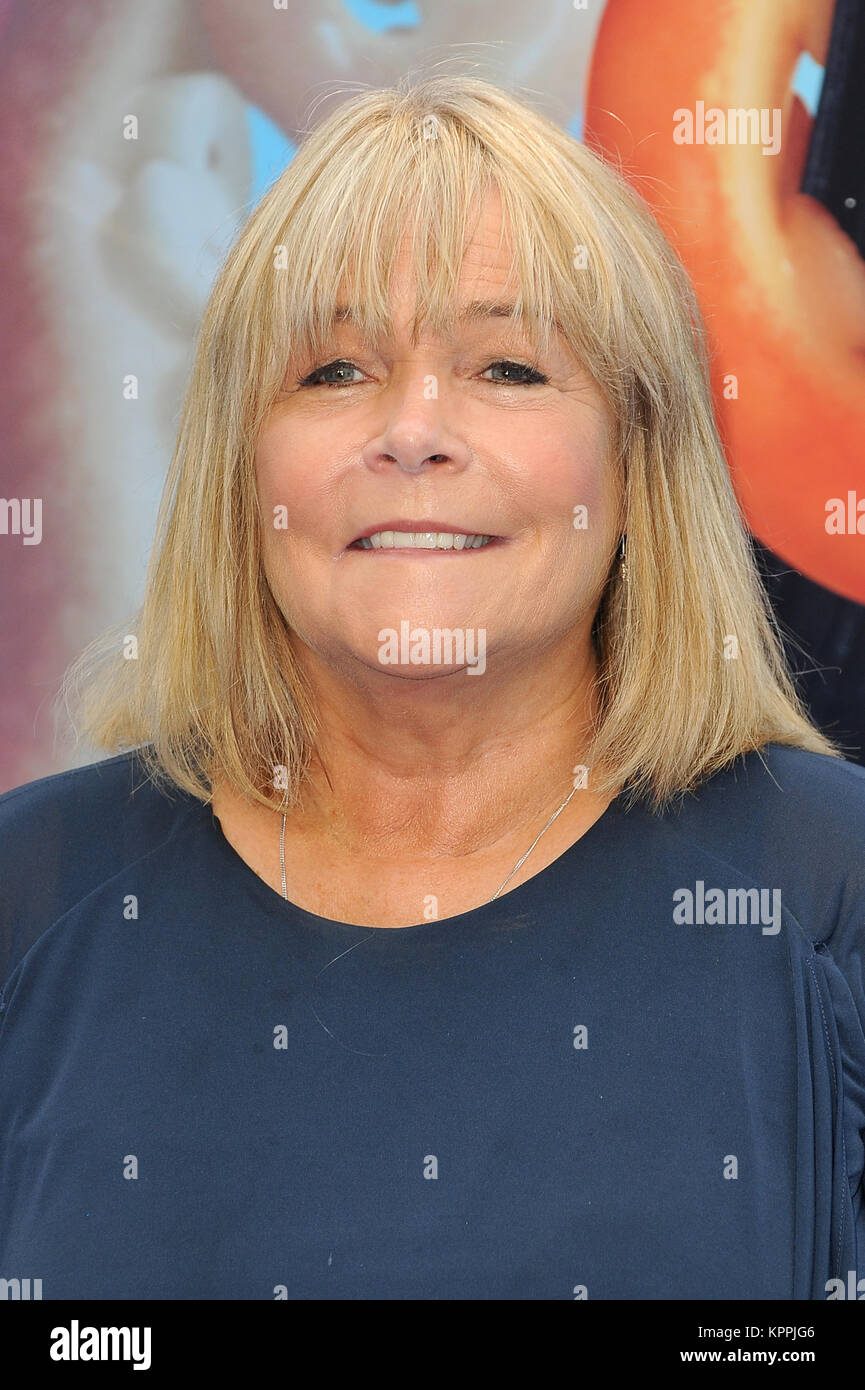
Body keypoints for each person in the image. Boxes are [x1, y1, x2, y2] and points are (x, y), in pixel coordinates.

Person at [1, 73, 863, 1301]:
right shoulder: (31, 898)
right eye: (333, 370)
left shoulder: (831, 895)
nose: (411, 430)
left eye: (507, 367)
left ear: (640, 465)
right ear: (238, 472)